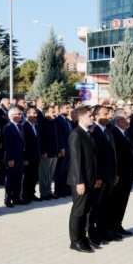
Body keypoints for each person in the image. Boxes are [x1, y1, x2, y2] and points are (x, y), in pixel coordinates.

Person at [67, 105, 99, 253]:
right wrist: (79, 181)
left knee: (86, 210)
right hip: (80, 181)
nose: (92, 118)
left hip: (90, 178)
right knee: (78, 211)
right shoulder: (76, 134)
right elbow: (76, 160)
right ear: (81, 118)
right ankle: (75, 241)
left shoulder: (88, 133)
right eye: (90, 116)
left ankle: (83, 237)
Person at [89, 105, 121, 247]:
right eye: (105, 114)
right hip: (99, 177)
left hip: (109, 175)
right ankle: (91, 233)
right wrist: (97, 177)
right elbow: (94, 158)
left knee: (105, 205)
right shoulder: (93, 132)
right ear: (96, 116)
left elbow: (113, 155)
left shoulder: (108, 131)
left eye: (109, 114)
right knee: (94, 207)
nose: (108, 116)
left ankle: (103, 230)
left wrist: (115, 173)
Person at [110, 111, 133, 237]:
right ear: (118, 121)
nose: (129, 121)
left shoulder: (125, 132)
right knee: (116, 201)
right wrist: (116, 174)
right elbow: (114, 156)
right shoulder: (113, 133)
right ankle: (112, 227)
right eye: (126, 118)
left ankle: (118, 225)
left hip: (128, 174)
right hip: (119, 175)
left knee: (123, 201)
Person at [2, 108, 25, 208]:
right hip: (12, 158)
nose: (21, 116)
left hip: (20, 157)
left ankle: (16, 198)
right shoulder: (8, 127)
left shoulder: (20, 126)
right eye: (19, 114)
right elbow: (8, 145)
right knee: (10, 179)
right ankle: (8, 199)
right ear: (12, 115)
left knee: (18, 178)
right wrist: (10, 158)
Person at [38, 106, 59, 200]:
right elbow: (41, 139)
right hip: (46, 153)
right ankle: (43, 193)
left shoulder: (54, 122)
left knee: (51, 174)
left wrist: (58, 150)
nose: (54, 113)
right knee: (44, 174)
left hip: (54, 152)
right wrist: (43, 151)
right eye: (52, 111)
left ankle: (49, 191)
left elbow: (56, 138)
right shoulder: (42, 123)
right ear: (46, 113)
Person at [22, 106, 41, 203]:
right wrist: (25, 158)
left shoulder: (36, 126)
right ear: (27, 114)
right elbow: (24, 144)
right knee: (27, 177)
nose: (35, 115)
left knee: (34, 176)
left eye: (36, 113)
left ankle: (32, 193)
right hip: (28, 157)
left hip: (35, 156)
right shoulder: (24, 126)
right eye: (33, 113)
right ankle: (25, 195)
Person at [53, 103, 73, 197]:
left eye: (69, 108)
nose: (68, 110)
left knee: (67, 170)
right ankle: (59, 190)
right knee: (60, 171)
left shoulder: (67, 121)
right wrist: (61, 148)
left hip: (69, 149)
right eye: (66, 108)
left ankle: (66, 189)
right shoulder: (58, 120)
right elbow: (59, 135)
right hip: (63, 149)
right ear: (60, 109)